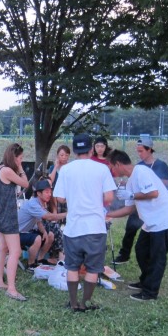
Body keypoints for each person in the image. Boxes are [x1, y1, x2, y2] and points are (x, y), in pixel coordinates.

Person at [106, 149, 168, 301]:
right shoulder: (130, 182)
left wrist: (132, 195)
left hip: (164, 220)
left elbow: (154, 193)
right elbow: (129, 209)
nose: (112, 171)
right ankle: (145, 281)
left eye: (112, 167)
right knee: (141, 250)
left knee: (156, 257)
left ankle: (150, 292)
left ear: (118, 164)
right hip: (151, 222)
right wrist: (108, 215)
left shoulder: (141, 171)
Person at [53, 133, 116, 312]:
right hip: (95, 227)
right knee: (93, 268)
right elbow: (109, 197)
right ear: (91, 149)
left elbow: (60, 198)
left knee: (72, 266)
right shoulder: (102, 169)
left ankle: (73, 303)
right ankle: (85, 303)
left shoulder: (66, 170)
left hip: (73, 227)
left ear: (74, 151)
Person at [113, 137, 168, 264]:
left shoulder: (160, 165)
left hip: (156, 208)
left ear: (150, 150)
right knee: (131, 229)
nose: (139, 154)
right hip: (140, 205)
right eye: (138, 151)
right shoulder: (138, 167)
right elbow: (130, 201)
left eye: (141, 151)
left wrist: (150, 181)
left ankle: (153, 270)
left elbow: (165, 184)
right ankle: (124, 254)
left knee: (154, 248)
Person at [0, 143, 29, 301]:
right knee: (15, 251)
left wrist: (1, 194)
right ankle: (11, 289)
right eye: (20, 158)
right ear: (14, 157)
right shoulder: (8, 171)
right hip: (8, 216)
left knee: (2, 248)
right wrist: (21, 168)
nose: (21, 160)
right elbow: (25, 184)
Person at [18, 179, 67, 270]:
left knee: (50, 235)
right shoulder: (33, 204)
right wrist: (68, 214)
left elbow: (38, 221)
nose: (50, 194)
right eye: (47, 192)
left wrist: (44, 232)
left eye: (50, 192)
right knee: (37, 238)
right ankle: (31, 264)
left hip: (27, 231)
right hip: (17, 233)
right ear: (39, 193)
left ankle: (40, 260)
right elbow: (49, 217)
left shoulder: (40, 203)